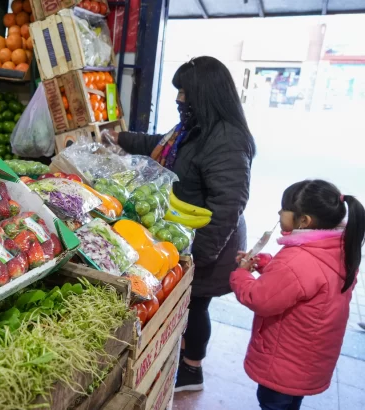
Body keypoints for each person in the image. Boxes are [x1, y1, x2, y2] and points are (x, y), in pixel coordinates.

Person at [108, 56, 256, 391]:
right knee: (188, 303)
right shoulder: (195, 129)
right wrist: (122, 139)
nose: (179, 100)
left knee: (196, 303)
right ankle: (185, 360)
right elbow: (161, 144)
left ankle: (192, 371)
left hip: (210, 239)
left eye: (185, 93)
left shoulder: (227, 139)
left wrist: (198, 256)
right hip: (187, 232)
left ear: (204, 94)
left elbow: (228, 205)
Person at [230, 180, 364, 410]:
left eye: (284, 209)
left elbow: (260, 298)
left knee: (273, 404)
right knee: (291, 404)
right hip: (309, 361)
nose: (279, 212)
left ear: (304, 221)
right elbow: (300, 283)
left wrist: (240, 275)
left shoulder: (297, 260)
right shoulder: (337, 249)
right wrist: (265, 264)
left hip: (284, 363)